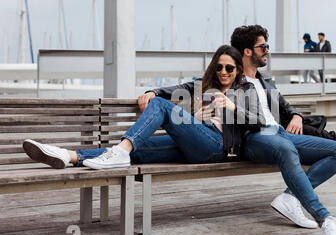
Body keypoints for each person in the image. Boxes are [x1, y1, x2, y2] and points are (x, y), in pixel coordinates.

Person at [22, 45, 260, 170]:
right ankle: (68, 156)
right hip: (196, 144)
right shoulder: (202, 85)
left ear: (238, 69)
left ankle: (120, 151)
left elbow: (258, 121)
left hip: (219, 147)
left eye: (229, 68)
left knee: (159, 107)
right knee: (138, 149)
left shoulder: (245, 90)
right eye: (219, 67)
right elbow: (170, 90)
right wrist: (153, 91)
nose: (223, 72)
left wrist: (231, 106)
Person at [231, 25, 336, 235]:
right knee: (285, 148)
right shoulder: (231, 78)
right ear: (247, 51)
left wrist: (296, 115)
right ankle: (325, 219)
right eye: (263, 46)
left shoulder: (265, 80)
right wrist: (156, 92)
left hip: (279, 132)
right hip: (255, 136)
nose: (267, 50)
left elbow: (286, 106)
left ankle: (290, 197)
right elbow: (194, 85)